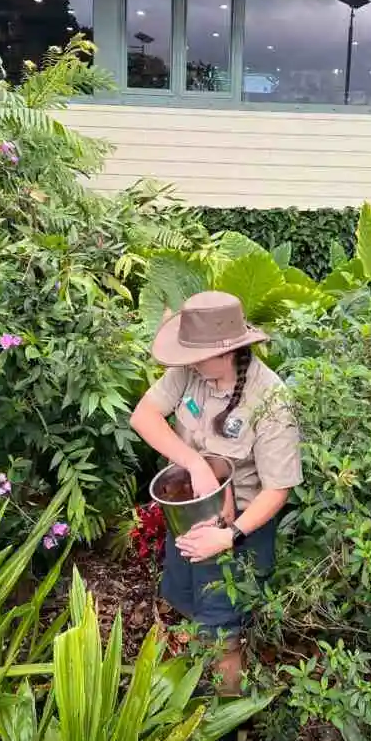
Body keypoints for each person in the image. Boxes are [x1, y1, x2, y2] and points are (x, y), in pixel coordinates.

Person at [130, 290, 302, 694]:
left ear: (228, 352)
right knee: (188, 604)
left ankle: (226, 725)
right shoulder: (191, 371)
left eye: (197, 354)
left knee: (223, 635)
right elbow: (144, 415)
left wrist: (228, 536)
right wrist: (194, 462)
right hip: (188, 517)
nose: (187, 361)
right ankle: (195, 685)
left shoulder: (271, 401)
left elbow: (278, 490)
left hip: (239, 532)